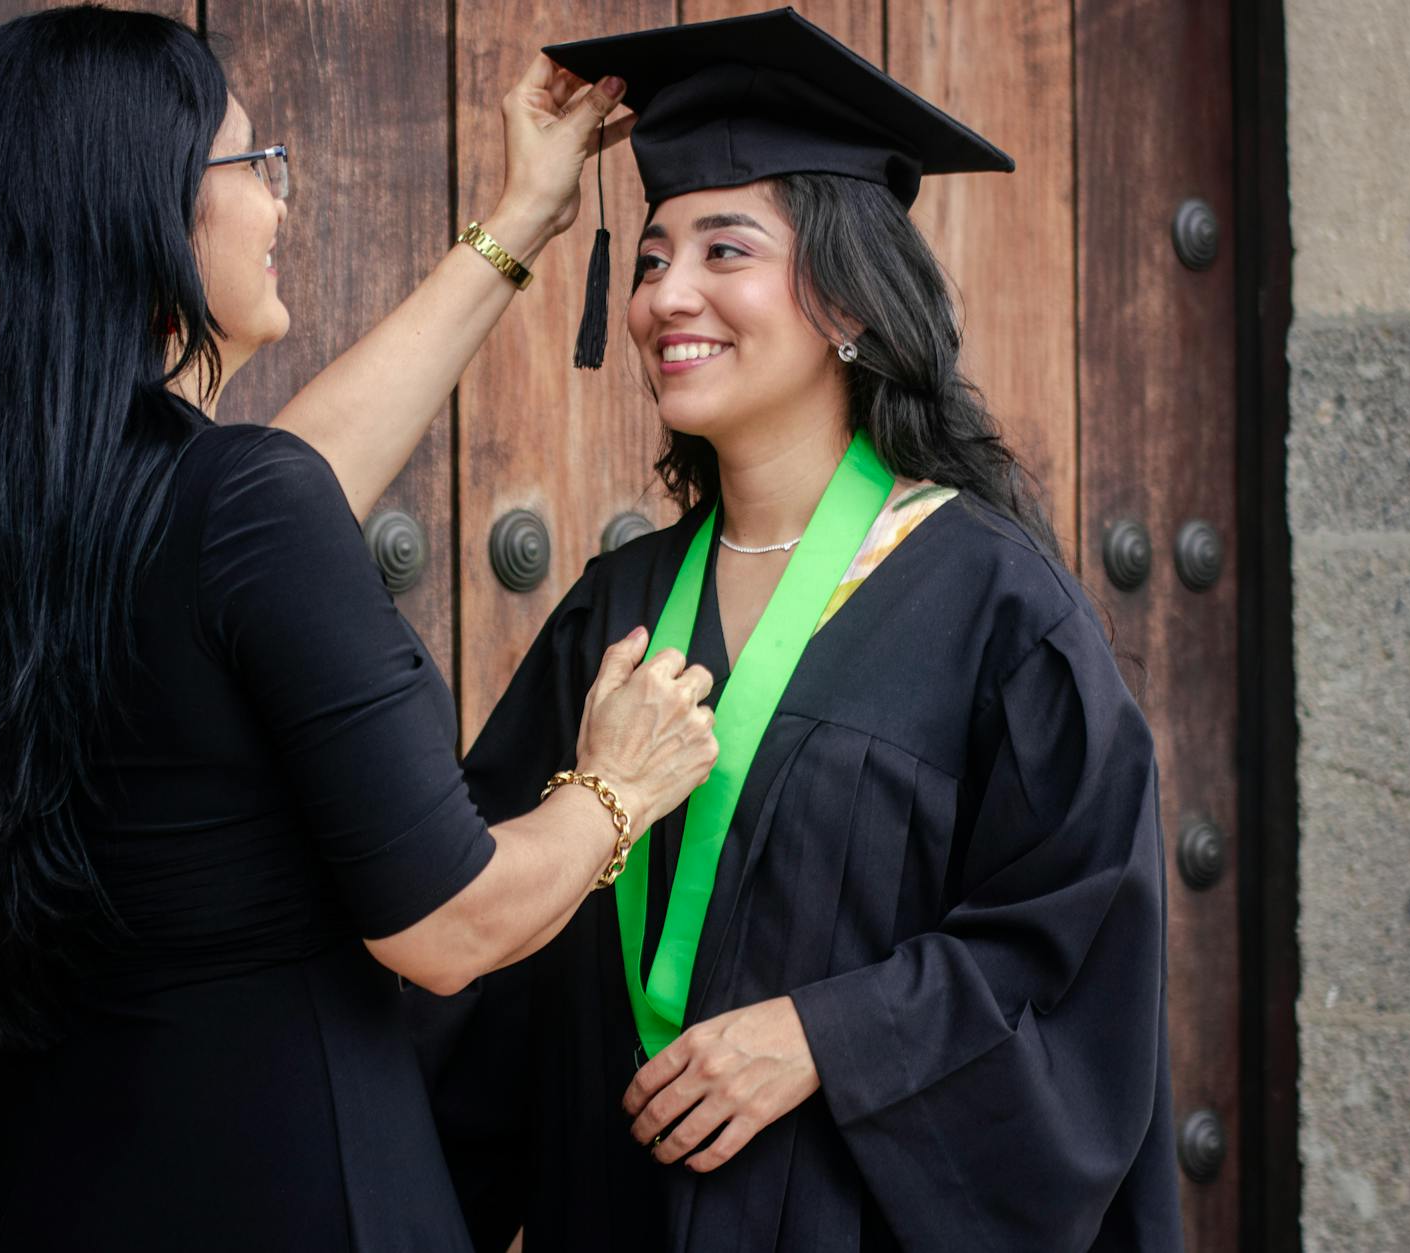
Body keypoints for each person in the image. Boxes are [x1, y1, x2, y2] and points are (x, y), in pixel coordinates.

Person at [0, 8, 718, 1249]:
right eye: (251, 165)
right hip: (291, 1183)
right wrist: (616, 787)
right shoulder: (230, 509)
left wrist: (524, 218)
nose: (279, 201)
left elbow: (286, 488)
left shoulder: (8, 512)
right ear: (146, 208)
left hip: (52, 1179)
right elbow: (449, 926)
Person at [413, 9, 1184, 1251]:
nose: (669, 293)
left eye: (727, 250)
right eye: (654, 256)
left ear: (844, 297)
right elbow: (489, 963)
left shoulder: (995, 606)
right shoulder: (612, 611)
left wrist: (824, 1035)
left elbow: (1071, 950)